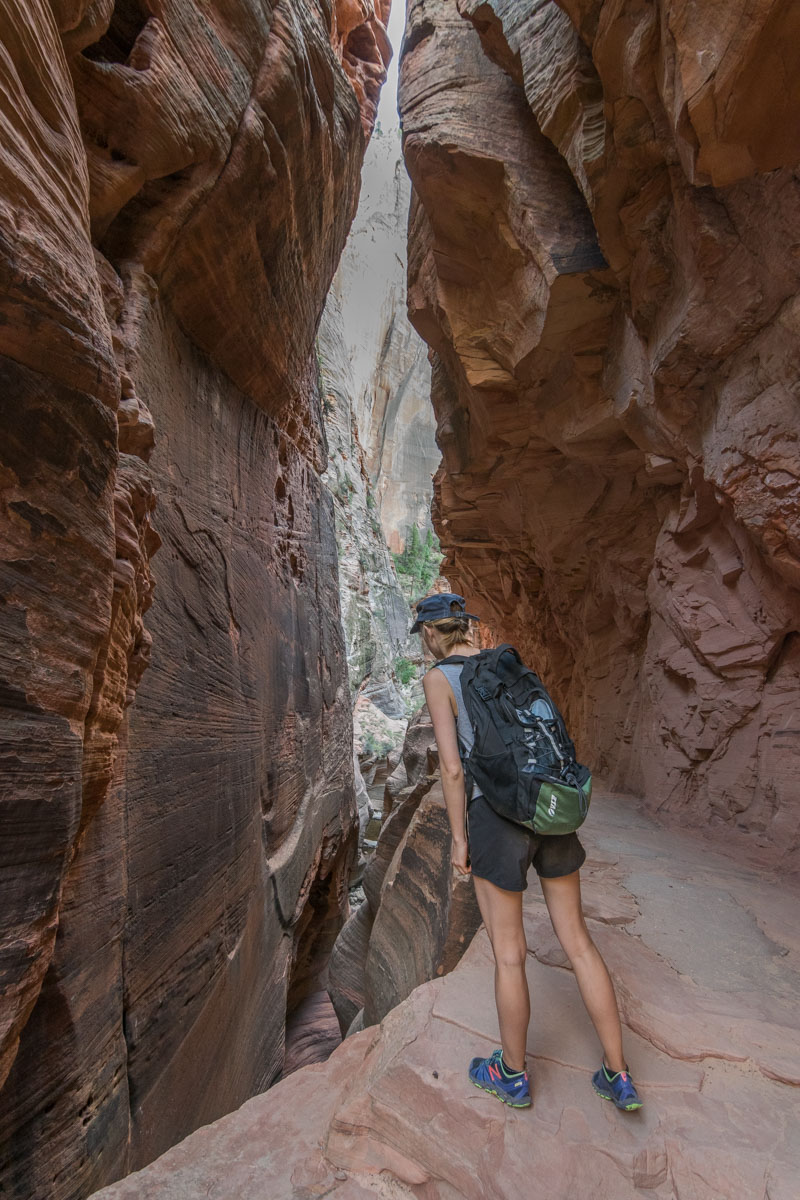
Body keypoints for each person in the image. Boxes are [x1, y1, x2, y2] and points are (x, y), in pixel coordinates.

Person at [412, 592, 642, 1112]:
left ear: (430, 634)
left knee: (509, 955)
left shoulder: (438, 678)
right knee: (578, 941)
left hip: (496, 818)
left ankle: (511, 1075)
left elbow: (452, 768)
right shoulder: (509, 669)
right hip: (548, 805)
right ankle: (618, 1073)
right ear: (468, 626)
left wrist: (459, 839)